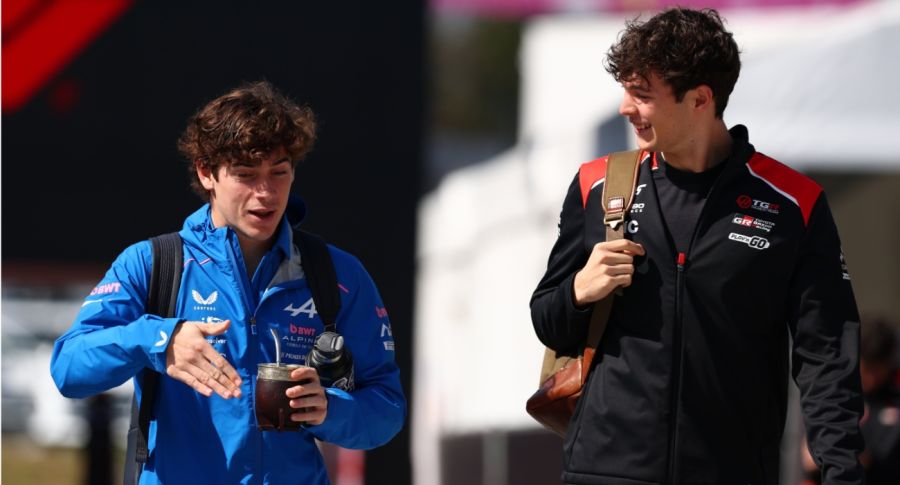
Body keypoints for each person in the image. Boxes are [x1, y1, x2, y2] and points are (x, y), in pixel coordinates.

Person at [530, 8, 863, 485]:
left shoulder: (794, 204)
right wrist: (580, 290)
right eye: (626, 90)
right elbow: (547, 321)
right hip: (603, 470)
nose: (625, 108)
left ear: (701, 99)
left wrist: (842, 474)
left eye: (642, 95)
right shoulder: (597, 185)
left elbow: (827, 357)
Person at [50, 81, 405, 484]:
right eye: (245, 174)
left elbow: (386, 409)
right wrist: (158, 340)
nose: (265, 193)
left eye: (279, 172)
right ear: (207, 173)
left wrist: (329, 409)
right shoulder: (153, 264)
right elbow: (69, 368)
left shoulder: (337, 274)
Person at [802, 317, 900, 484]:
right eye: (866, 369)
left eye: (876, 371)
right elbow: (810, 454)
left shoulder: (893, 401)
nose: (870, 379)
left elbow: (881, 458)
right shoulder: (836, 393)